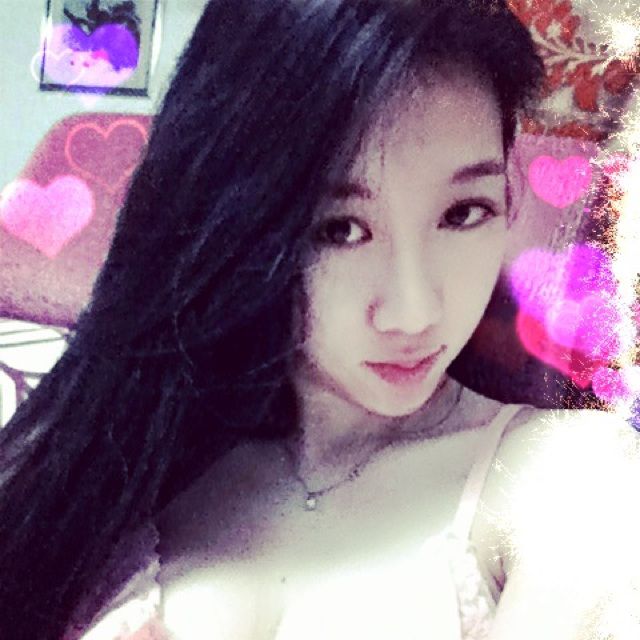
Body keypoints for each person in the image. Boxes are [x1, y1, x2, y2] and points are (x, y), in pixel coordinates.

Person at [1, 0, 639, 638]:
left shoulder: (569, 474)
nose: (413, 312)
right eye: (338, 228)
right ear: (239, 222)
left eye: (464, 213)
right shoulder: (111, 461)